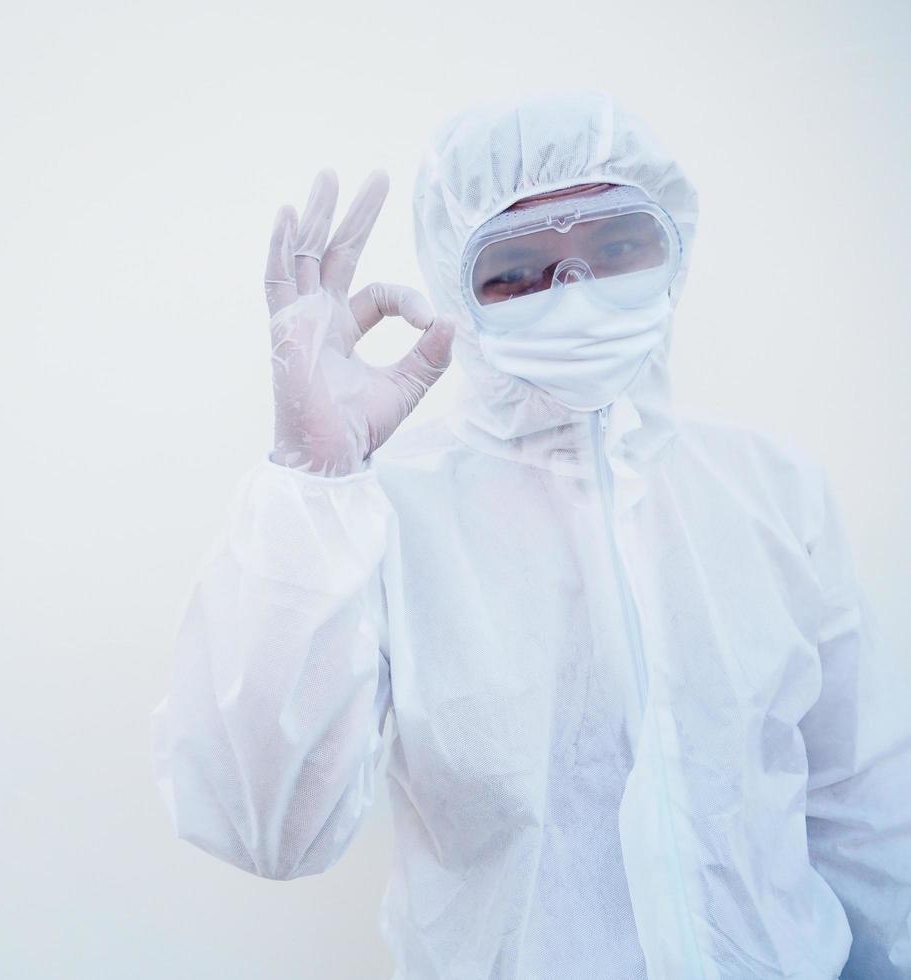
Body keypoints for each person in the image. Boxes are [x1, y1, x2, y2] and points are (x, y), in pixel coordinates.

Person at [148, 91, 911, 979]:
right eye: (514, 267)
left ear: (672, 249)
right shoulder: (391, 513)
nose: (572, 293)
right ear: (456, 288)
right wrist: (312, 483)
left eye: (614, 246)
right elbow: (264, 826)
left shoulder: (772, 492)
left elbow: (861, 807)